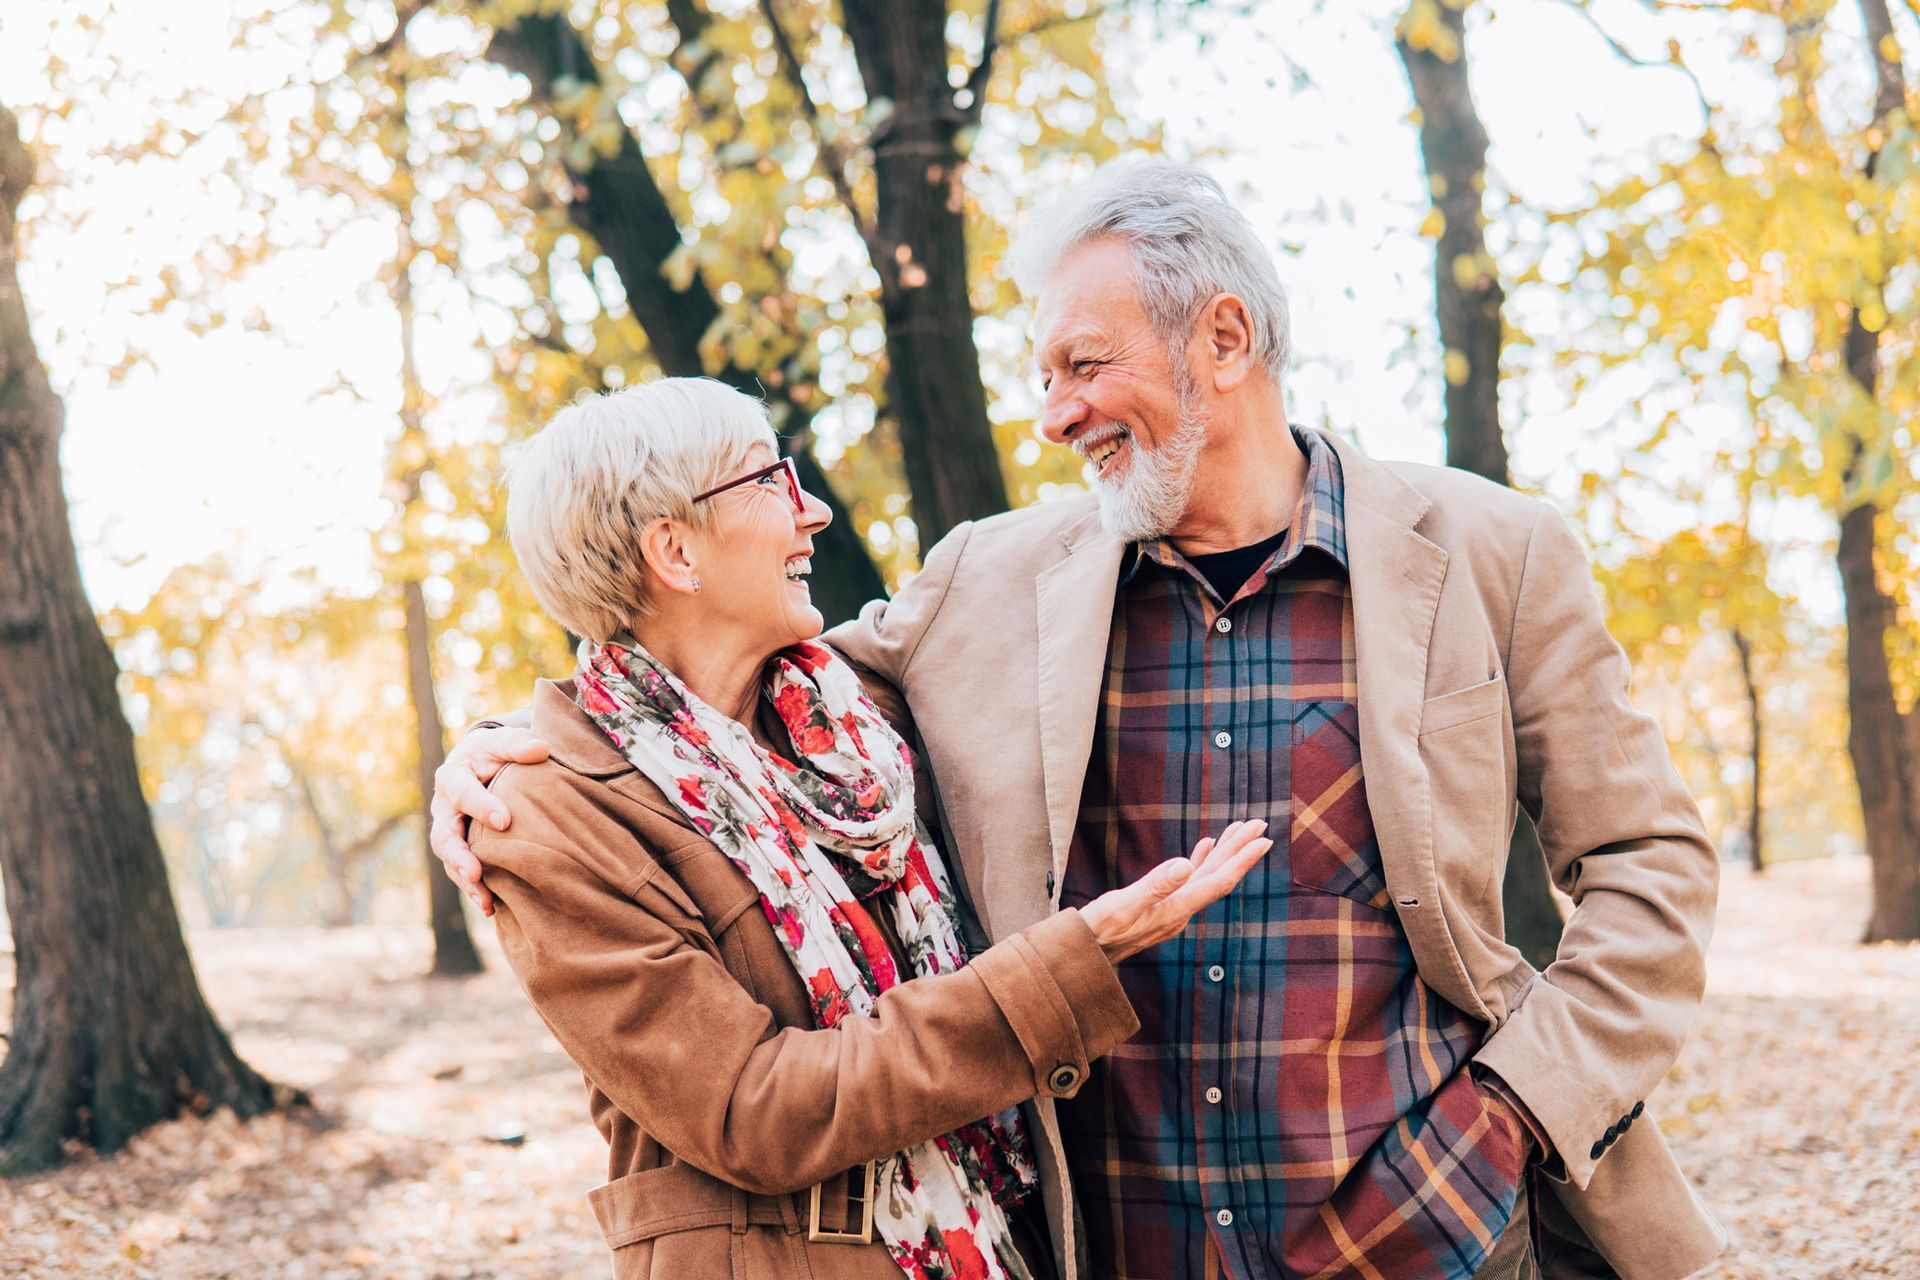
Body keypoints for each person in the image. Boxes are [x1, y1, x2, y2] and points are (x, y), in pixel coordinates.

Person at [436, 160, 1724, 1279]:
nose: (1053, 413)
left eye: (1084, 364)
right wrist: (493, 757)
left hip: (1437, 1238)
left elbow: (1650, 865)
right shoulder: (985, 584)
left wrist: (1507, 1113)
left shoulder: (1496, 554)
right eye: (1044, 373)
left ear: (1224, 340)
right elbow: (710, 691)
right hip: (1106, 1244)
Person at [464, 375, 1276, 1280]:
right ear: (675, 552)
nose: (813, 513)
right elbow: (752, 1110)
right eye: (769, 482)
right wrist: (1075, 958)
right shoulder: (542, 819)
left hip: (1001, 1241)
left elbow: (1028, 561)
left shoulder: (859, 724)